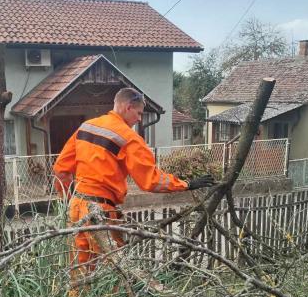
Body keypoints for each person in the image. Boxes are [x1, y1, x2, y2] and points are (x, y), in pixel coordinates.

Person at [53, 87, 214, 281]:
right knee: (114, 270)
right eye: (138, 113)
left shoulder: (87, 126)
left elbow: (60, 169)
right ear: (128, 107)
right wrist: (187, 184)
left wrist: (72, 199)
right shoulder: (129, 138)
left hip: (76, 207)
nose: (139, 119)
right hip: (100, 209)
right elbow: (151, 181)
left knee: (80, 270)